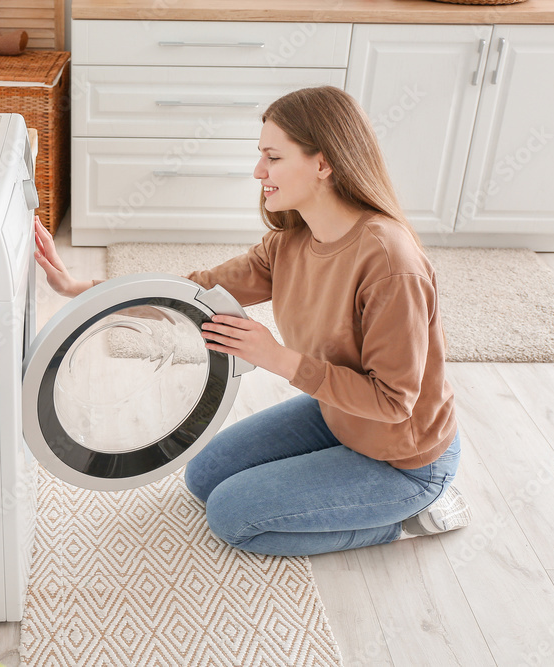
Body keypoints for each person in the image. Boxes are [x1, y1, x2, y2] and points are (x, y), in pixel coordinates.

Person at [33, 85, 470, 557]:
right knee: (202, 477)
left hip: (402, 457)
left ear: (322, 163)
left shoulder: (389, 262)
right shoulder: (292, 241)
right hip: (338, 415)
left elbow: (393, 402)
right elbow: (193, 292)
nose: (258, 171)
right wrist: (83, 290)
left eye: (273, 157)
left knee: (232, 516)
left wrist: (277, 358)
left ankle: (411, 517)